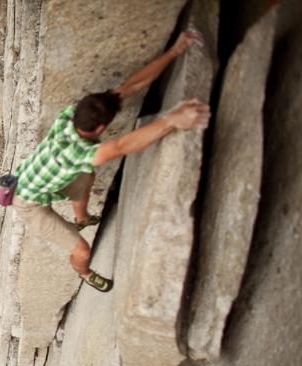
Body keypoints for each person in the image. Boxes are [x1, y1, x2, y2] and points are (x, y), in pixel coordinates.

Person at [12, 30, 211, 292]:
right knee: (82, 250)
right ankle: (84, 273)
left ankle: (81, 218)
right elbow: (122, 145)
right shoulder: (79, 153)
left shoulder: (71, 114)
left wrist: (175, 50)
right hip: (28, 203)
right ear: (99, 129)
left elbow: (131, 85)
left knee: (87, 175)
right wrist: (172, 121)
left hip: (33, 176)